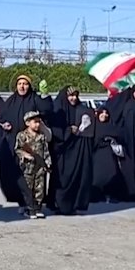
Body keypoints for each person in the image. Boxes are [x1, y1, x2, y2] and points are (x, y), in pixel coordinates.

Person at [0, 75, 53, 214]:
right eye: (20, 83)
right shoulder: (10, 101)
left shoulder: (34, 99)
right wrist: (4, 124)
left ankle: (34, 205)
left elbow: (47, 110)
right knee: (16, 175)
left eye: (25, 84)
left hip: (32, 144)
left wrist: (44, 95)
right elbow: (2, 117)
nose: (22, 86)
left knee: (34, 176)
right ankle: (22, 202)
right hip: (14, 143)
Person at [50, 86, 94, 215]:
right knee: (62, 179)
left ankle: (73, 205)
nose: (73, 98)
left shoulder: (81, 109)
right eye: (70, 95)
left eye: (75, 95)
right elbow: (55, 129)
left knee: (77, 177)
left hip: (77, 150)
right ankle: (60, 205)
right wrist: (69, 130)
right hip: (62, 151)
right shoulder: (58, 109)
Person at [14, 111, 52, 219]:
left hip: (39, 166)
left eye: (39, 122)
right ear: (27, 123)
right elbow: (17, 149)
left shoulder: (41, 136)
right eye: (35, 122)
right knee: (28, 188)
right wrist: (25, 155)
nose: (37, 125)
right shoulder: (22, 135)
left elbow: (45, 151)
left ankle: (38, 208)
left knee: (39, 187)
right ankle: (29, 208)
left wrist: (48, 162)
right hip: (27, 167)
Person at [91, 108, 127, 203]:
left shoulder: (111, 126)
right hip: (97, 154)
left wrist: (110, 139)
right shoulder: (94, 127)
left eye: (106, 113)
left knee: (112, 174)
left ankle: (112, 195)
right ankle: (97, 194)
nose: (104, 115)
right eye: (102, 113)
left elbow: (120, 135)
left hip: (109, 153)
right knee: (97, 176)